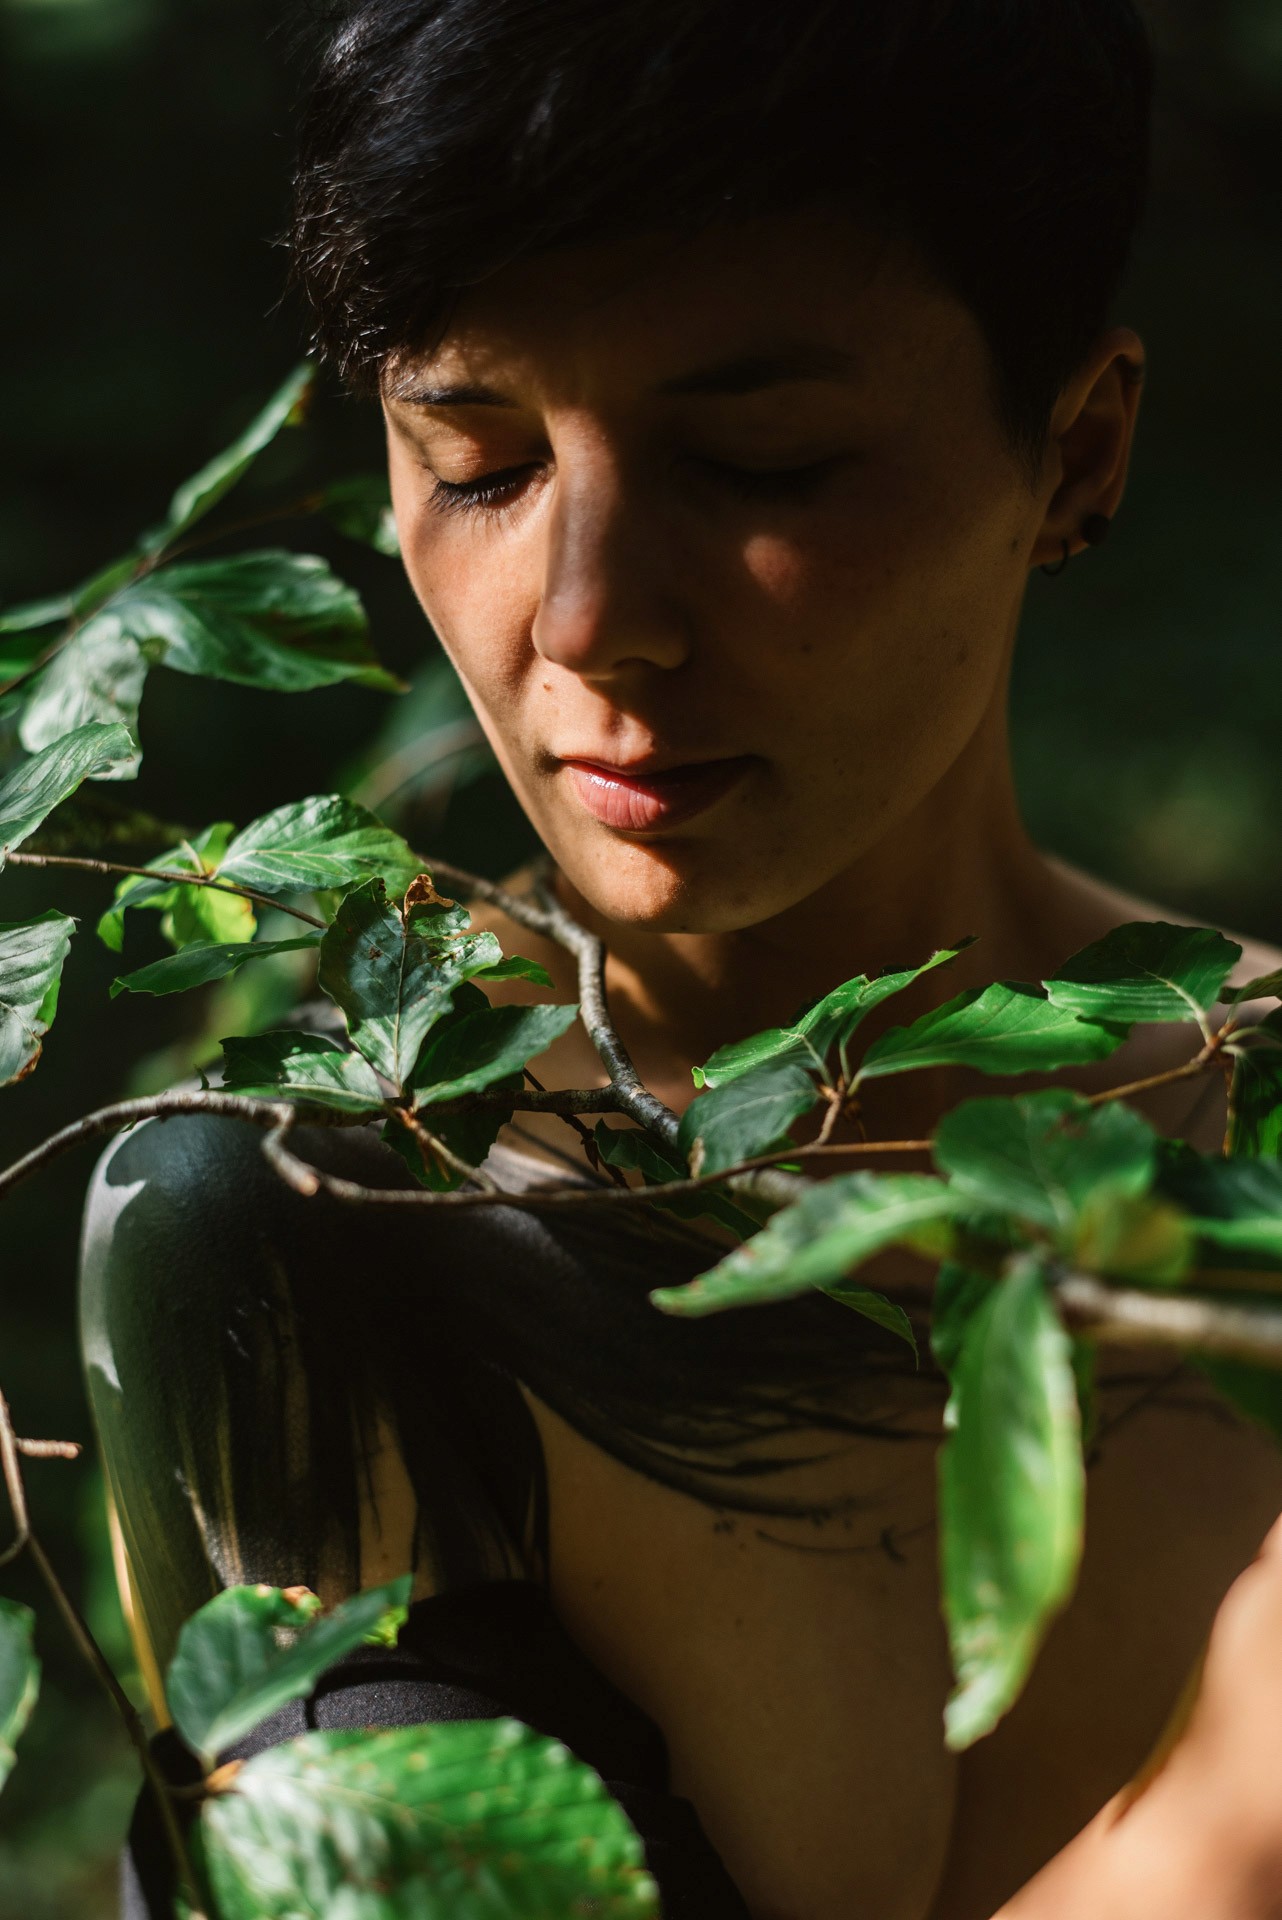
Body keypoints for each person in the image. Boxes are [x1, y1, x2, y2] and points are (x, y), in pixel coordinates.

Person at [81, 3, 1282, 1916]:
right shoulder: (322, 1227)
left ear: (1075, 452)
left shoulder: (1254, 1141)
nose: (586, 621)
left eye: (765, 465)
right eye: (474, 462)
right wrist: (1221, 1832)